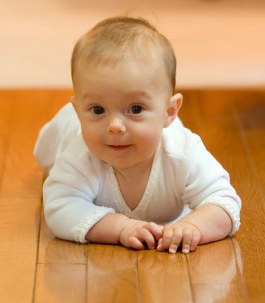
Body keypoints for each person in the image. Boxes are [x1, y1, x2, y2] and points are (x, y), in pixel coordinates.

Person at [34, 16, 241, 254]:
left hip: (159, 129)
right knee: (50, 153)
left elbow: (224, 202)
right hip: (67, 129)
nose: (114, 126)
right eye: (98, 109)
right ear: (79, 111)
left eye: (135, 109)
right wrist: (120, 227)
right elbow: (60, 207)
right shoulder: (80, 154)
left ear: (170, 111)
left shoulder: (183, 153)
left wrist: (192, 226)